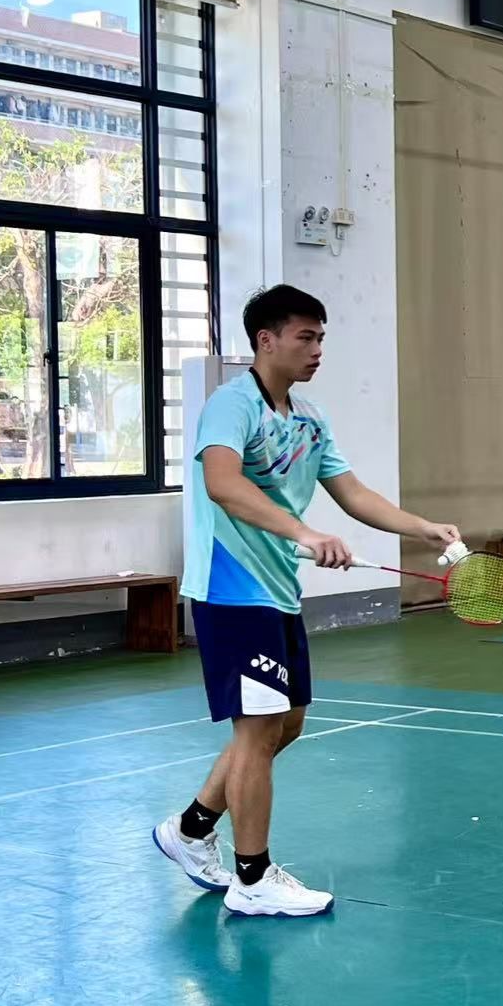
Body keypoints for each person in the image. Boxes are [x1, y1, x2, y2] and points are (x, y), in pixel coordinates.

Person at [153, 285, 459, 917]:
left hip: (277, 592)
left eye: (321, 338)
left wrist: (422, 527)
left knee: (285, 724)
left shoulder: (308, 417)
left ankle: (189, 830)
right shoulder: (230, 405)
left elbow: (352, 492)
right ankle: (252, 878)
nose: (317, 349)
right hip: (232, 590)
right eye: (305, 337)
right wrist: (304, 532)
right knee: (258, 729)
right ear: (266, 340)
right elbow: (222, 483)